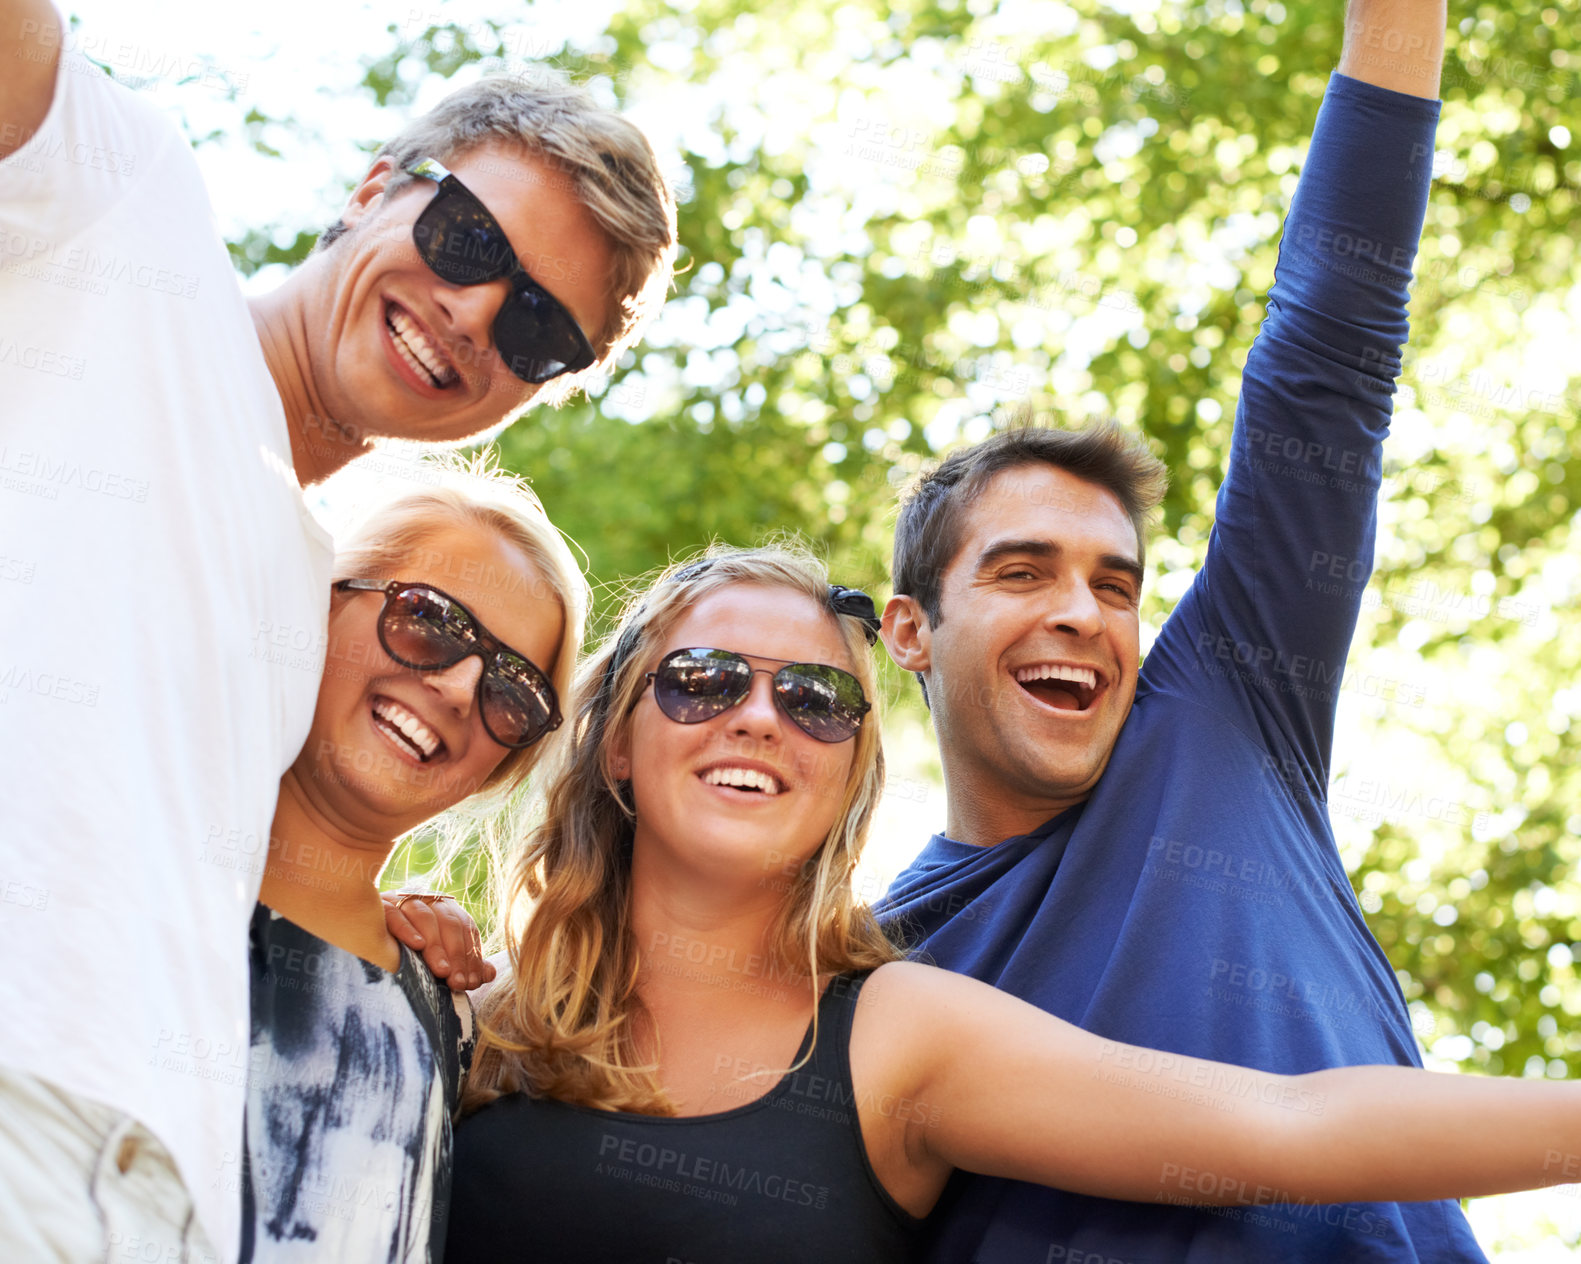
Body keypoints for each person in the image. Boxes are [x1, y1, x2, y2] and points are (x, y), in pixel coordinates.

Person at [0, 2, 674, 1257]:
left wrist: (377, 918)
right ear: (377, 188)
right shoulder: (126, 219)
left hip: (149, 1193)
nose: (475, 312)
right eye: (468, 236)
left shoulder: (303, 586)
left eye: (537, 325)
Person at [444, 548, 1581, 1264]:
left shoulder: (900, 1036)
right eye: (701, 680)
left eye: (816, 698)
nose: (757, 716)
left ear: (847, 777)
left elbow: (1286, 1128)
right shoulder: (471, 1021)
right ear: (618, 748)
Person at [875, 2, 1479, 1260]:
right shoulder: (868, 975)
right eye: (1024, 570)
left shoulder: (1226, 709)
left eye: (1115, 583)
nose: (1080, 614)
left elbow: (1331, 355)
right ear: (910, 630)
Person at [241, 465, 586, 1262]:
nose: (463, 687)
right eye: (430, 620)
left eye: (514, 690)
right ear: (322, 597)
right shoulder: (114, 857)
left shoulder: (451, 1014)